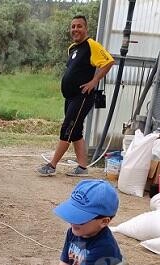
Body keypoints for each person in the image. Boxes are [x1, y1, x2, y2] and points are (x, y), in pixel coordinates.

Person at [37, 15, 115, 177]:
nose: (75, 29)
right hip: (70, 97)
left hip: (83, 96)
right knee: (76, 131)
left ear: (86, 28)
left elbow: (108, 61)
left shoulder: (91, 45)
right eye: (73, 26)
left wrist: (94, 81)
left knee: (67, 128)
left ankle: (52, 165)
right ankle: (82, 167)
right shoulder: (72, 48)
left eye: (79, 26)